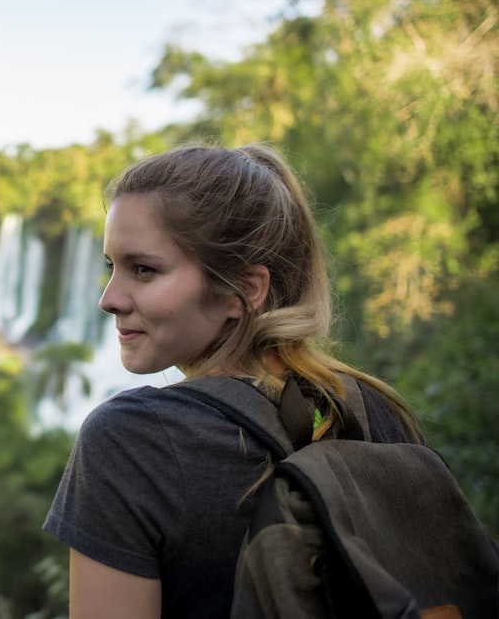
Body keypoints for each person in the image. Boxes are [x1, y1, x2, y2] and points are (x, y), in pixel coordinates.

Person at [42, 142, 424, 618]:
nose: (109, 298)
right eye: (111, 267)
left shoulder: (132, 443)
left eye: (144, 269)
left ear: (242, 290)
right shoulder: (376, 410)